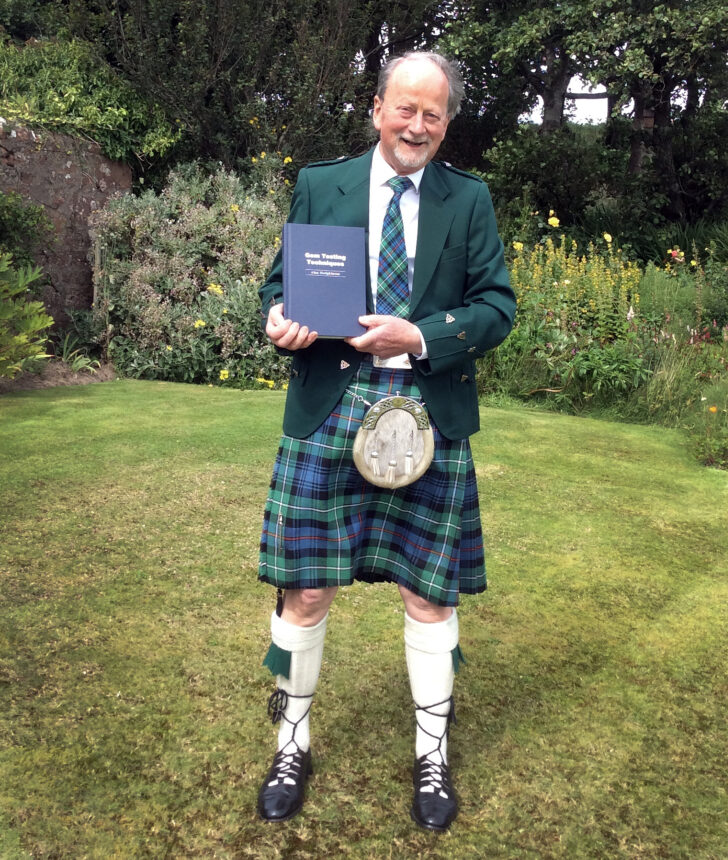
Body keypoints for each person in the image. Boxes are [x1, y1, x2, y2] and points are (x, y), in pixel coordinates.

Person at [256, 51, 516, 832]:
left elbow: (497, 307)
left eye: (433, 114)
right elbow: (281, 285)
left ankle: (432, 753)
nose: (418, 125)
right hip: (331, 401)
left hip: (426, 408)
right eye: (405, 108)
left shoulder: (467, 201)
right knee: (305, 587)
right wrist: (278, 319)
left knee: (427, 591)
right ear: (377, 109)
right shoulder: (321, 184)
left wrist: (423, 334)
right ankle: (290, 740)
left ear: (446, 122)